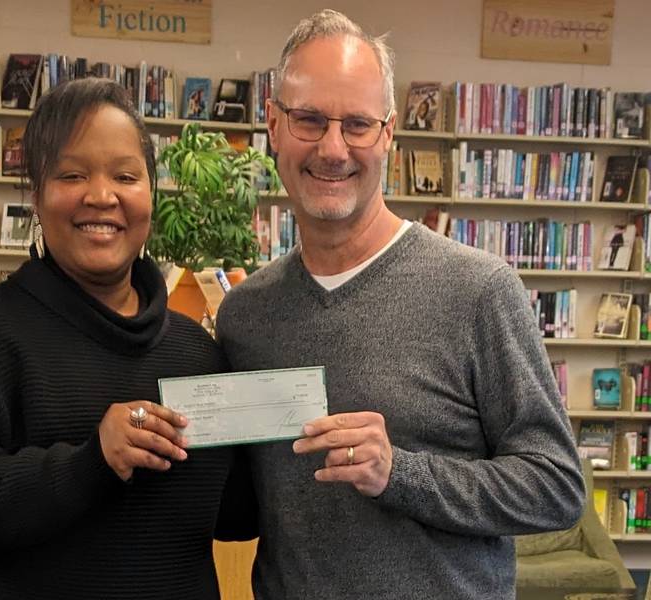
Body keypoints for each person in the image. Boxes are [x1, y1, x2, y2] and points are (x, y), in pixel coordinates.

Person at [216, 9, 584, 600]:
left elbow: (557, 487)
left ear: (388, 134)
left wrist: (401, 473)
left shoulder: (479, 292)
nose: (333, 148)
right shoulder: (245, 314)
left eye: (357, 124)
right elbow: (249, 507)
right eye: (309, 119)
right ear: (274, 125)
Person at [0, 78, 254, 600]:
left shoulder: (198, 353)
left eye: (126, 175)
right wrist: (90, 463)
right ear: (35, 193)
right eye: (73, 174)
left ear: (151, 192)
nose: (102, 196)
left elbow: (233, 517)